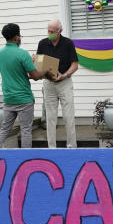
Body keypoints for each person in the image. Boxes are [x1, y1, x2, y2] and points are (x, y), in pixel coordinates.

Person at [0, 23, 55, 148]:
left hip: (8, 98)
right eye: (19, 35)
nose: (20, 37)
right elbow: (36, 76)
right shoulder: (23, 54)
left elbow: (13, 74)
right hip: (24, 99)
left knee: (4, 129)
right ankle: (25, 158)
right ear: (16, 37)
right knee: (26, 130)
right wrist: (46, 71)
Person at [36, 19, 78, 148]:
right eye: (48, 31)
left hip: (64, 82)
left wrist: (64, 75)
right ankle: (51, 148)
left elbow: (75, 65)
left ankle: (71, 146)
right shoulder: (42, 43)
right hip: (48, 84)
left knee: (68, 116)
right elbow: (39, 63)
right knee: (50, 117)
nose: (49, 33)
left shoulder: (68, 43)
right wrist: (36, 62)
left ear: (60, 31)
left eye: (52, 31)